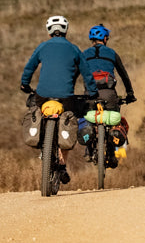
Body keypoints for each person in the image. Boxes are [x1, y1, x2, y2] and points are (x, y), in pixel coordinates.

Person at [20, 15, 98, 183]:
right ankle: (62, 164)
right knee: (68, 119)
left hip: (43, 94)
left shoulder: (42, 47)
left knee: (37, 109)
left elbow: (29, 68)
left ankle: (44, 145)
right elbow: (86, 73)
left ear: (49, 32)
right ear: (66, 31)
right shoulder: (75, 49)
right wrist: (92, 91)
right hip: (66, 96)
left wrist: (24, 85)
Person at [82, 23, 136, 111]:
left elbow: (75, 73)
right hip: (109, 95)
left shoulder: (84, 54)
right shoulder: (112, 53)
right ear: (104, 38)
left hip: (89, 95)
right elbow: (123, 75)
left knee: (86, 120)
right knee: (115, 120)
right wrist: (130, 93)